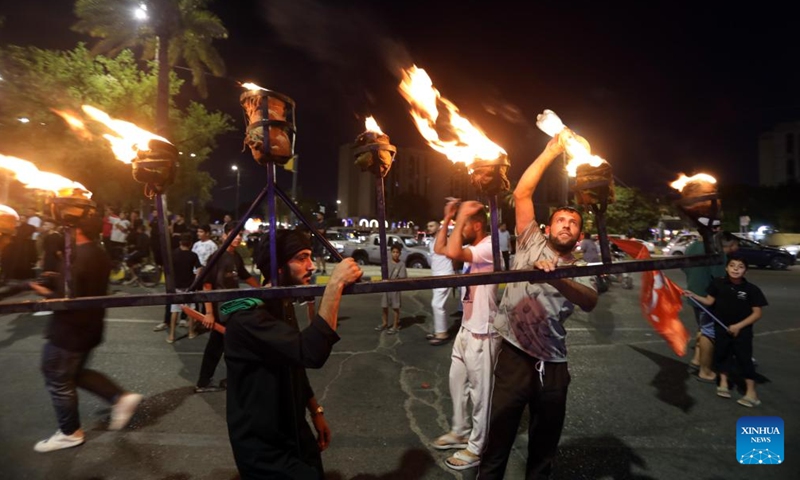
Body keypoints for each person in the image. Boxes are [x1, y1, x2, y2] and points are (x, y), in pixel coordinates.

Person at [479, 131, 598, 479]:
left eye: (574, 223)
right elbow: (521, 193)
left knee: (544, 449)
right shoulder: (531, 243)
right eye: (561, 220)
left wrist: (557, 278)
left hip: (554, 362)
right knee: (498, 440)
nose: (567, 225)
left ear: (579, 236)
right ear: (547, 228)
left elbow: (589, 301)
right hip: (515, 355)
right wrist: (550, 150)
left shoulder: (580, 268)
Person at [223, 229, 362, 478]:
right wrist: (335, 285)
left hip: (293, 430)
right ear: (277, 268)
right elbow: (310, 353)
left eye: (310, 256)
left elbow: (294, 363)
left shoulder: (280, 303)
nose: (310, 266)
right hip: (263, 447)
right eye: (301, 258)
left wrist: (315, 410)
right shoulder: (250, 317)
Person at [29, 215, 143, 452]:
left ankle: (70, 432)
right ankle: (119, 398)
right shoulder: (97, 252)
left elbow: (67, 299)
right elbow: (82, 285)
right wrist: (58, 279)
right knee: (74, 373)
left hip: (70, 330)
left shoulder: (76, 256)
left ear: (76, 229)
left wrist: (43, 291)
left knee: (57, 376)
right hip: (89, 326)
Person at [431, 199, 500, 471]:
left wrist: (460, 217)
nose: (461, 229)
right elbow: (441, 248)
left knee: (481, 394)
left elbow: (454, 252)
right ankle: (460, 430)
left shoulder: (487, 248)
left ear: (477, 225)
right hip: (467, 328)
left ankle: (477, 447)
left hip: (483, 331)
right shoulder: (475, 246)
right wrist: (448, 218)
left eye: (465, 224)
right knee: (457, 383)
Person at [684, 255, 767, 408]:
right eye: (732, 265)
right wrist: (693, 295)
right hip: (721, 327)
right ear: (726, 268)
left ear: (746, 271)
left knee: (744, 359)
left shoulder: (751, 290)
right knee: (723, 355)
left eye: (740, 266)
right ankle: (723, 383)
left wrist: (738, 326)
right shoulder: (717, 283)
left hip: (742, 331)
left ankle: (751, 393)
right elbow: (709, 302)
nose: (736, 269)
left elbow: (757, 313)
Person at [194, 223, 261, 393]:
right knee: (218, 346)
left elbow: (246, 277)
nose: (237, 237)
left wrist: (265, 291)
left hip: (233, 307)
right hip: (220, 310)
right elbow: (207, 285)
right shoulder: (217, 257)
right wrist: (209, 313)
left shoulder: (236, 257)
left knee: (229, 344)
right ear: (224, 236)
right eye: (233, 234)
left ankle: (217, 380)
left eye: (239, 234)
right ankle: (204, 382)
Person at [682, 232, 739, 382]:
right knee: (709, 332)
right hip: (709, 298)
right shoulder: (716, 252)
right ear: (731, 245)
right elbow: (720, 278)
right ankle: (705, 371)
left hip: (693, 293)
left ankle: (696, 360)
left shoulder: (692, 246)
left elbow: (684, 268)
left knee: (702, 327)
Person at [154, 233, 202, 343]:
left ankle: (171, 335)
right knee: (191, 310)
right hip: (189, 286)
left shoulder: (173, 254)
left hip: (176, 286)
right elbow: (199, 269)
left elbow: (166, 268)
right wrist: (196, 280)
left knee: (174, 310)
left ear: (180, 242)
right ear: (190, 244)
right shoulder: (193, 255)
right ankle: (191, 333)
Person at [426, 219, 454, 345]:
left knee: (436, 304)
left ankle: (442, 334)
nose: (429, 228)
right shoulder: (432, 241)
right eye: (428, 226)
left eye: (432, 226)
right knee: (438, 304)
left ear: (438, 228)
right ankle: (439, 331)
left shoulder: (444, 239)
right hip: (436, 276)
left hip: (444, 275)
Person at [374, 243, 407, 334]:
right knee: (384, 306)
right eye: (393, 252)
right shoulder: (387, 262)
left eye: (397, 252)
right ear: (391, 252)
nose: (395, 254)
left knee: (395, 307)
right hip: (386, 287)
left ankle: (395, 325)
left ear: (400, 253)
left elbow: (402, 277)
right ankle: (384, 323)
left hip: (395, 288)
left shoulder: (401, 264)